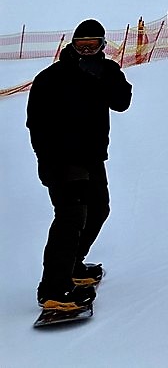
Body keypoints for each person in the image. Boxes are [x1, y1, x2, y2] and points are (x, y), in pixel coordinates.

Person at [26, 19, 132, 311]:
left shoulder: (105, 71)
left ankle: (73, 266)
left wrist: (106, 76)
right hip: (61, 160)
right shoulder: (51, 78)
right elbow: (35, 122)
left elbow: (122, 102)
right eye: (80, 46)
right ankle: (53, 289)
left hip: (91, 157)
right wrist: (47, 162)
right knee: (71, 217)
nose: (86, 51)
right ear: (71, 46)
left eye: (92, 46)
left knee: (99, 209)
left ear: (101, 46)